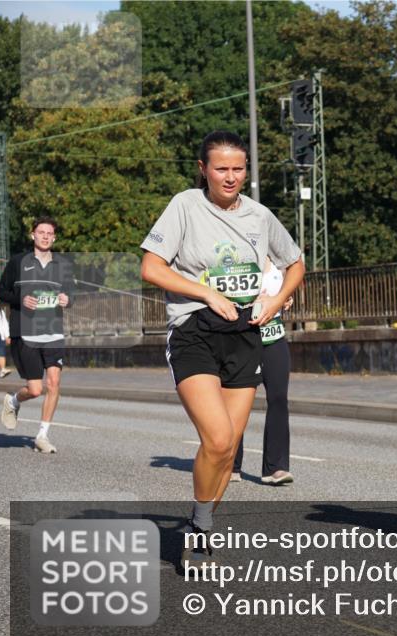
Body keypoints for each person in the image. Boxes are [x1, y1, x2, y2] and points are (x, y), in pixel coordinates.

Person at [140, 130, 304, 567]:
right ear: (203, 170)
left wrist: (274, 298)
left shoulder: (260, 215)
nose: (230, 177)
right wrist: (205, 293)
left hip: (244, 335)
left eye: (238, 168)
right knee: (215, 437)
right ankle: (199, 526)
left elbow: (295, 261)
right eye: (221, 168)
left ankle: (202, 522)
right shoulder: (185, 206)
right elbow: (151, 267)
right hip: (194, 331)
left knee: (229, 448)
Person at [0, 217, 74, 453]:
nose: (45, 236)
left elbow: (70, 293)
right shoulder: (18, 262)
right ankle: (14, 400)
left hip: (52, 331)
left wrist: (67, 299)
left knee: (54, 382)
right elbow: (1, 292)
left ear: (54, 237)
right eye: (41, 232)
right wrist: (21, 299)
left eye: (50, 233)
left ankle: (42, 435)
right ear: (33, 235)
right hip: (25, 333)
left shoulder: (62, 264)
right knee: (35, 389)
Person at [231, 260, 295, 486]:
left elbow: (286, 289)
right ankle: (231, 464)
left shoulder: (281, 262)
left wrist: (286, 298)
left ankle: (275, 468)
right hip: (243, 338)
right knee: (236, 400)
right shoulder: (239, 258)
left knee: (278, 398)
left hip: (273, 336)